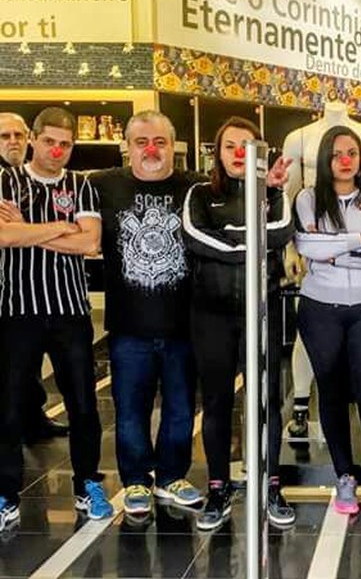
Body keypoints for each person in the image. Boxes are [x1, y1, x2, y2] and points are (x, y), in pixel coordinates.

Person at [0, 107, 113, 531]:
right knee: (9, 407)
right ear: (32, 139)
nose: (58, 150)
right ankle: (6, 494)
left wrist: (30, 229)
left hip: (70, 312)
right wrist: (60, 228)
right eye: (50, 141)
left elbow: (90, 242)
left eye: (66, 144)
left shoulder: (80, 185)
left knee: (84, 403)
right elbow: (3, 235)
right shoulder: (6, 181)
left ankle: (87, 485)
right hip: (17, 311)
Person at [181, 117, 295, 530]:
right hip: (211, 315)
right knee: (216, 404)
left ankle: (271, 486)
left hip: (261, 311)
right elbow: (196, 238)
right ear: (219, 151)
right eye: (230, 146)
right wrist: (251, 242)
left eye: (246, 147)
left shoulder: (274, 192)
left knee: (267, 402)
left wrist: (231, 239)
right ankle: (218, 488)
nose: (237, 154)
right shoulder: (198, 194)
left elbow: (280, 233)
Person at [90, 111, 204, 517]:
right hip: (128, 328)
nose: (151, 150)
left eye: (159, 142)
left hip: (183, 325)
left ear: (173, 145)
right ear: (127, 146)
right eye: (141, 142)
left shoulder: (197, 186)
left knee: (179, 409)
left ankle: (173, 475)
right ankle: (136, 480)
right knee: (130, 410)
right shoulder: (101, 185)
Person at [293, 125, 361, 515]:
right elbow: (306, 244)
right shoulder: (307, 199)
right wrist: (358, 240)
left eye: (352, 152)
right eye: (337, 153)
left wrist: (332, 249)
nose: (345, 159)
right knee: (332, 392)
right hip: (320, 307)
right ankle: (343, 476)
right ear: (325, 158)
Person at [0, 112, 69, 443]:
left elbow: (83, 238)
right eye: (4, 136)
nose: (12, 141)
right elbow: (6, 235)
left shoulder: (35, 180)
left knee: (23, 366)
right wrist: (50, 229)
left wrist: (25, 226)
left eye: (18, 134)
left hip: (35, 292)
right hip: (8, 288)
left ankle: (33, 418)